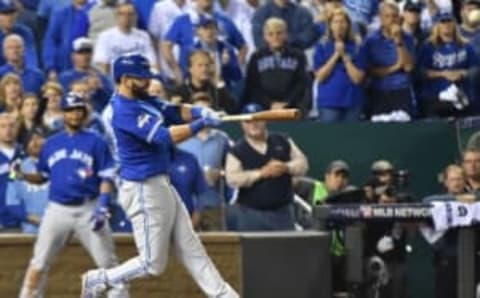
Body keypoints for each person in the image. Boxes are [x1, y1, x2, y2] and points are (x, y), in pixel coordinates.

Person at [80, 53, 239, 298]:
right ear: (124, 79)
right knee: (152, 264)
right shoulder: (122, 110)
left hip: (161, 184)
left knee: (191, 247)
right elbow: (165, 136)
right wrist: (201, 125)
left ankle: (224, 295)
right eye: (140, 78)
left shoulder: (142, 99)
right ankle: (99, 279)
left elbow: (173, 110)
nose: (146, 81)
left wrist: (199, 111)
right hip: (142, 188)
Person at [16, 91, 129, 298]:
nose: (75, 115)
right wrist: (22, 175)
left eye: (78, 110)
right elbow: (42, 176)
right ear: (64, 113)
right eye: (70, 110)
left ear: (84, 113)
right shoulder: (51, 143)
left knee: (108, 264)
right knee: (39, 262)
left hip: (89, 208)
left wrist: (102, 205)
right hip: (57, 210)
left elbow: (107, 176)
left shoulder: (97, 142)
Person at [225, 103, 309, 231]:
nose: (253, 124)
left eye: (257, 120)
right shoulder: (237, 150)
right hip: (250, 214)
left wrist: (285, 167)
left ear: (265, 120)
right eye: (248, 121)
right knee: (252, 250)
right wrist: (261, 173)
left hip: (283, 213)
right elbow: (232, 178)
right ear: (242, 124)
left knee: (285, 249)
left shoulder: (282, 140)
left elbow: (303, 164)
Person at [179, 92, 233, 231]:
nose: (202, 116)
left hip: (213, 207)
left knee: (218, 251)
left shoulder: (222, 139)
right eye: (198, 112)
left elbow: (234, 170)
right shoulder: (180, 139)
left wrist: (219, 173)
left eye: (206, 111)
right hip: (186, 209)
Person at [162, 0, 247, 84]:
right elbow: (166, 45)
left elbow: (243, 46)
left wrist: (235, 65)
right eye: (205, 29)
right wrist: (176, 71)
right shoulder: (183, 21)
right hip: (192, 82)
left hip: (223, 83)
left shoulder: (224, 21)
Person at [418, 11, 479, 118]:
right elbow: (421, 72)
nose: (446, 25)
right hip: (436, 97)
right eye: (443, 22)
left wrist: (462, 73)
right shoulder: (428, 47)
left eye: (449, 21)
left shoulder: (466, 45)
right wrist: (443, 74)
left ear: (455, 25)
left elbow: (476, 67)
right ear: (437, 26)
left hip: (462, 97)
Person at [363, 1, 416, 120]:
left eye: (394, 16)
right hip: (379, 91)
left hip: (401, 90)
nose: (391, 19)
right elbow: (370, 71)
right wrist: (396, 67)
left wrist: (398, 41)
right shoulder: (371, 40)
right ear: (380, 18)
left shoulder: (407, 38)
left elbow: (408, 67)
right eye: (387, 16)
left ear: (399, 18)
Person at [423, 164, 468, 298]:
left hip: (470, 259)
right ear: (446, 182)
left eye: (460, 179)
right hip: (446, 260)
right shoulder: (438, 201)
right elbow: (426, 202)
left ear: (465, 181)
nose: (456, 183)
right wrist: (457, 199)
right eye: (453, 179)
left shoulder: (474, 200)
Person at [313, 8, 366, 122]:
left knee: (351, 138)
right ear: (330, 25)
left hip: (352, 101)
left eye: (342, 22)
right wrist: (336, 55)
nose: (339, 26)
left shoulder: (358, 46)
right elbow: (320, 77)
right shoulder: (322, 45)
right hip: (329, 102)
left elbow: (357, 79)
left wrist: (345, 57)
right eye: (336, 22)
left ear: (348, 25)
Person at [245, 18, 308, 111]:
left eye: (279, 33)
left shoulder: (298, 56)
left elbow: (301, 83)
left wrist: (287, 102)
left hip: (291, 106)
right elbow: (253, 85)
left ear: (286, 34)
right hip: (263, 107)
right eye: (271, 34)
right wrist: (269, 103)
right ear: (265, 36)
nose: (275, 37)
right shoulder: (256, 57)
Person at [93, 2, 157, 75]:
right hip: (116, 79)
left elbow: (152, 63)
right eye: (122, 14)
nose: (126, 17)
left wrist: (155, 79)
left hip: (140, 78)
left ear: (136, 16)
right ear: (116, 16)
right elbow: (103, 65)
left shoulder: (144, 36)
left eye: (130, 14)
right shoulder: (105, 37)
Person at [6, 131, 48, 234]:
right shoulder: (15, 170)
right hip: (30, 230)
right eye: (30, 140)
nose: (35, 142)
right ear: (25, 146)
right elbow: (11, 204)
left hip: (61, 228)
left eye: (38, 138)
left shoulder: (58, 165)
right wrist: (37, 220)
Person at [170, 50, 238, 113]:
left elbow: (233, 110)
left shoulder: (216, 90)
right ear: (190, 69)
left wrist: (218, 82)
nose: (204, 69)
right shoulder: (180, 92)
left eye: (207, 65)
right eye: (200, 65)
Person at [59, 37, 113, 113]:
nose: (85, 56)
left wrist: (100, 89)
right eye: (80, 52)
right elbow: (61, 101)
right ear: (73, 55)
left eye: (88, 52)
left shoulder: (102, 77)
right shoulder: (65, 78)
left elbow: (112, 102)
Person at [190, 17, 243, 90]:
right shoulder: (193, 51)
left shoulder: (226, 49)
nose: (209, 32)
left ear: (217, 31)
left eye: (212, 28)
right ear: (199, 31)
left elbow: (237, 76)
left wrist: (226, 65)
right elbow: (189, 75)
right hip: (201, 89)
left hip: (223, 88)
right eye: (205, 28)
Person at [42, 0, 89, 78]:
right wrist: (51, 67)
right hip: (63, 69)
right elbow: (50, 41)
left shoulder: (97, 12)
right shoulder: (61, 14)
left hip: (90, 69)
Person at [251, 0, 318, 50]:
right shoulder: (261, 13)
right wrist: (290, 41)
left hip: (297, 59)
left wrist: (281, 41)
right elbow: (258, 40)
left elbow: (309, 37)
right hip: (267, 61)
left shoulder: (302, 12)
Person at [168, 147, 209, 229]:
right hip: (153, 225)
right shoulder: (144, 159)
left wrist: (193, 222)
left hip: (187, 222)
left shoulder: (189, 159)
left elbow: (201, 193)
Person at [0, 113, 23, 231]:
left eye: (11, 126)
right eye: (3, 126)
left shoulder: (25, 153)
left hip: (25, 219)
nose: (7, 130)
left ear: (17, 128)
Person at [0, 2, 38, 69]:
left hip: (20, 71)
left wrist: (30, 72)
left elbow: (30, 56)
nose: (10, 17)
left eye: (12, 13)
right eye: (5, 13)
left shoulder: (25, 32)